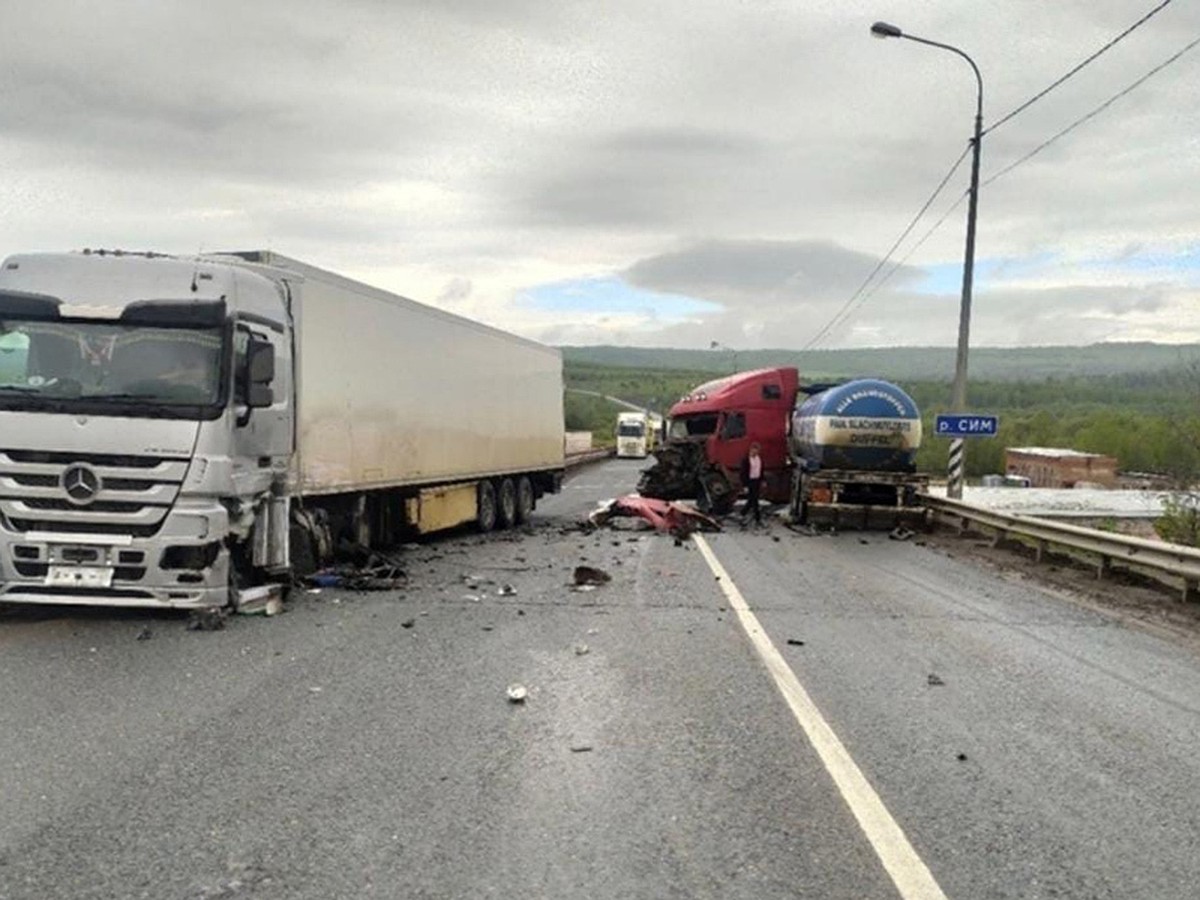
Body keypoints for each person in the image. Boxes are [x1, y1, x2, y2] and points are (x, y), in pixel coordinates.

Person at [739, 442, 763, 527]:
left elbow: (761, 470)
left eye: (757, 451)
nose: (755, 453)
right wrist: (745, 485)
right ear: (751, 450)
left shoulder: (759, 459)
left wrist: (762, 481)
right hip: (750, 481)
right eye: (754, 451)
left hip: (757, 481)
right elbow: (743, 473)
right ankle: (757, 519)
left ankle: (744, 514)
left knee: (753, 500)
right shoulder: (746, 460)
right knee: (753, 500)